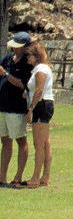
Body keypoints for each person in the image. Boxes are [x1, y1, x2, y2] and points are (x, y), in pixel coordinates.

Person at [0, 33, 31, 187]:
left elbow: (22, 84)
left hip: (17, 108)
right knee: (5, 141)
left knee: (21, 140)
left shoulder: (27, 63)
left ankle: (18, 177)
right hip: (3, 107)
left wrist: (5, 74)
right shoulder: (7, 59)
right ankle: (2, 177)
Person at [23, 42, 52, 188]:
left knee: (39, 143)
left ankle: (35, 177)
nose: (27, 58)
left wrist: (31, 108)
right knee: (45, 143)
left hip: (41, 104)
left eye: (29, 55)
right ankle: (45, 176)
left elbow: (39, 90)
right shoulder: (42, 68)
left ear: (36, 56)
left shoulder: (40, 69)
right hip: (45, 104)